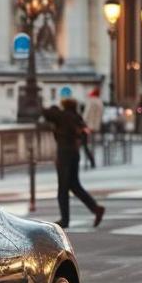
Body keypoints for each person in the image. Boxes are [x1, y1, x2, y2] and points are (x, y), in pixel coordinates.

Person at [42, 98, 105, 229]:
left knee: (63, 188)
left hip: (64, 153)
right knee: (74, 185)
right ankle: (96, 208)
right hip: (75, 153)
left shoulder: (63, 115)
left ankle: (65, 220)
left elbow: (46, 113)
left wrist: (51, 107)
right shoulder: (77, 117)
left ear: (64, 106)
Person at [82, 88, 104, 169]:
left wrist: (83, 123)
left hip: (88, 126)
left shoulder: (91, 101)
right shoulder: (100, 102)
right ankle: (92, 160)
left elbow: (86, 114)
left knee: (85, 144)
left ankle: (91, 160)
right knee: (92, 145)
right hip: (96, 126)